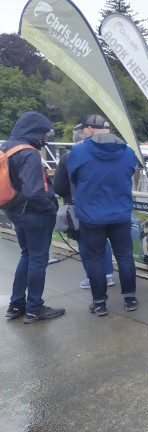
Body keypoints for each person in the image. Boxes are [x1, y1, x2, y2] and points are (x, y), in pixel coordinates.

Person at [67, 114, 139, 316]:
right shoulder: (128, 152)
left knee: (96, 259)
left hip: (91, 216)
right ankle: (130, 299)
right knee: (125, 256)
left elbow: (73, 177)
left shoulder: (79, 151)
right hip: (120, 214)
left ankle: (99, 303)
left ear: (89, 129)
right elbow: (131, 173)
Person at [2, 112, 65, 323]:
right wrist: (51, 208)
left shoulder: (7, 148)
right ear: (35, 132)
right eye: (45, 134)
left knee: (26, 255)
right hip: (34, 214)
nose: (46, 138)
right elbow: (33, 191)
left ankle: (16, 305)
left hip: (14, 210)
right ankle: (34, 308)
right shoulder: (29, 153)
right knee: (38, 259)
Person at [53, 122, 115, 289]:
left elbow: (58, 186)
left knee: (85, 242)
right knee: (104, 240)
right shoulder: (109, 152)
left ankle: (94, 279)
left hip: (80, 207)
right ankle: (108, 274)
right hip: (108, 204)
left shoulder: (69, 156)